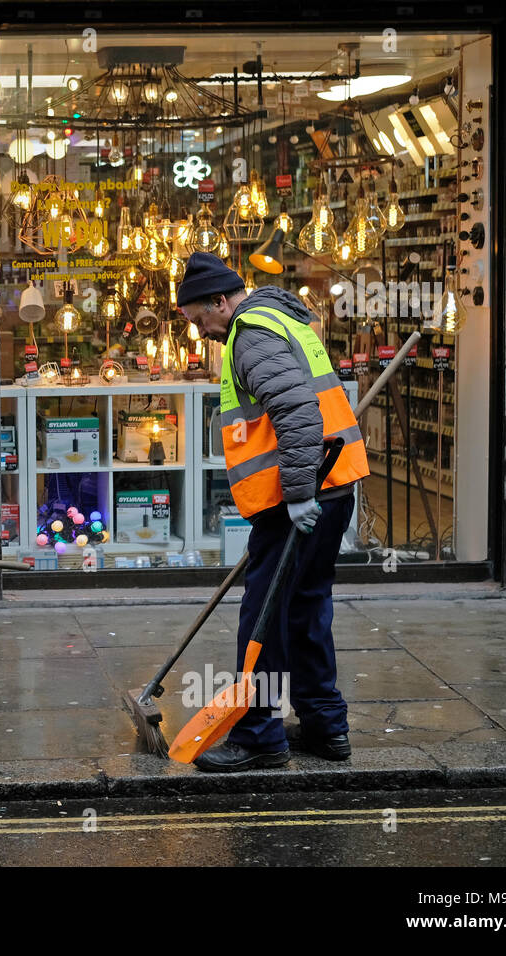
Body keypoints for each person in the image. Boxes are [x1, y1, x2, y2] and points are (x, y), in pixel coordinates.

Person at [175, 252, 370, 772]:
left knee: (264, 618)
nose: (204, 333)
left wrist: (300, 493)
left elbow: (298, 410)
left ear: (220, 301)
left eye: (201, 320)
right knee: (306, 608)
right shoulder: (282, 317)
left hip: (299, 498)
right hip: (331, 486)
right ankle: (327, 728)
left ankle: (260, 736)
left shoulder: (251, 332)